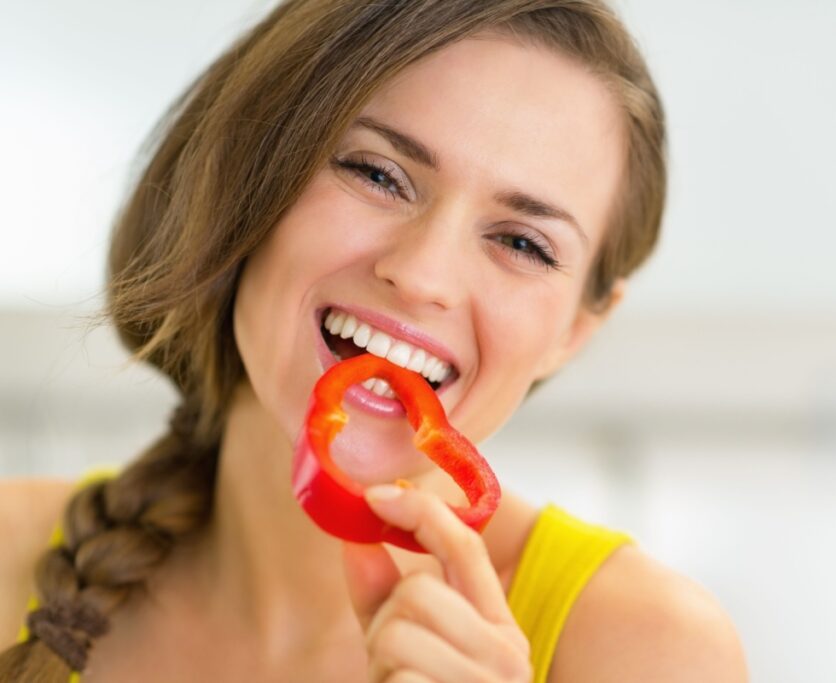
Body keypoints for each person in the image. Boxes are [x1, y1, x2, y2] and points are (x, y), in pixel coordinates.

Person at [0, 0, 747, 680]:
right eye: (377, 173)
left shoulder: (653, 649)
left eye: (523, 243)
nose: (423, 275)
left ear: (575, 331)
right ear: (243, 177)